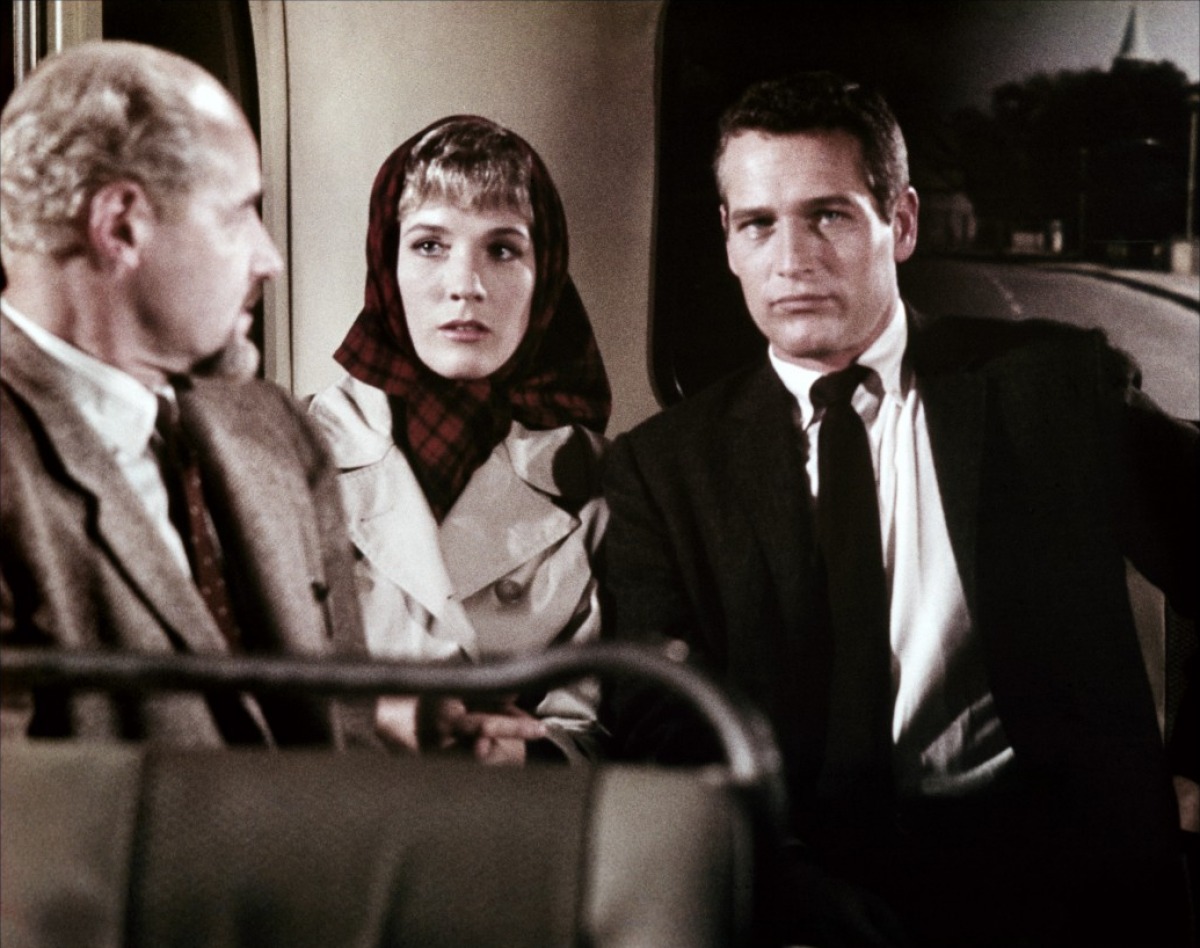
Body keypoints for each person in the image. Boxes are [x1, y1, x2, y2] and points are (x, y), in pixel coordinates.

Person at [601, 72, 1198, 946]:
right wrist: (777, 882)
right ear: (728, 241)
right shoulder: (660, 470)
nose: (792, 259)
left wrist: (1193, 771)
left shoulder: (1055, 392)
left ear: (903, 223)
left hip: (1057, 887)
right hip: (797, 895)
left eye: (829, 215)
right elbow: (660, 717)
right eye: (758, 224)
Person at [0, 41, 366, 747]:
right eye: (238, 213)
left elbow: (349, 736)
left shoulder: (276, 431)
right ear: (121, 225)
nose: (269, 258)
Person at [308, 115, 611, 764]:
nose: (464, 286)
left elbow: (605, 728)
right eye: (429, 245)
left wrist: (524, 754)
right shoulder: (292, 452)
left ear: (545, 273)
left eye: (502, 250)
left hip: (508, 816)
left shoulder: (597, 478)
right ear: (385, 263)